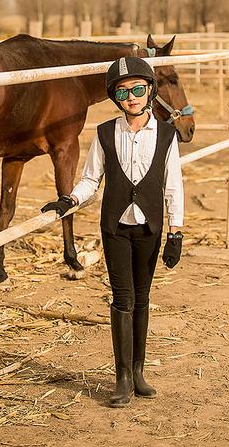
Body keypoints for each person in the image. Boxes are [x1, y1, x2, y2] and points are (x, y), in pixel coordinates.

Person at [41, 56, 184, 407]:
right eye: (123, 92)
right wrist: (69, 199)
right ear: (115, 98)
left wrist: (175, 231)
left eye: (137, 89)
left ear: (149, 90)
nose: (131, 97)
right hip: (116, 228)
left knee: (143, 296)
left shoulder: (166, 135)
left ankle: (138, 372)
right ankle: (121, 377)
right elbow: (91, 179)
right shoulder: (106, 133)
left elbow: (173, 185)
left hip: (150, 227)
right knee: (123, 298)